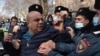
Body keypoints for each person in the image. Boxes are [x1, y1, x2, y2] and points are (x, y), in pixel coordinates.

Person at [2, 4, 72, 56]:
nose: (41, 22)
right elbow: (14, 53)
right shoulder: (21, 33)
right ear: (28, 23)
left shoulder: (51, 31)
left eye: (41, 19)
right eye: (37, 20)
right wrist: (7, 42)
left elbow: (68, 48)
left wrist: (62, 31)